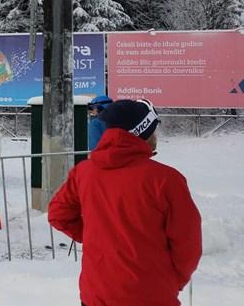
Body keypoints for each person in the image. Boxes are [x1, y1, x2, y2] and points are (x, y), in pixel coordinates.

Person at [49, 99, 202, 306]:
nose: (156, 136)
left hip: (97, 292)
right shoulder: (166, 179)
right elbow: (187, 244)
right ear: (143, 132)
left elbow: (59, 214)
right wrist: (173, 279)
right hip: (151, 294)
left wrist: (96, 235)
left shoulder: (84, 172)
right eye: (153, 130)